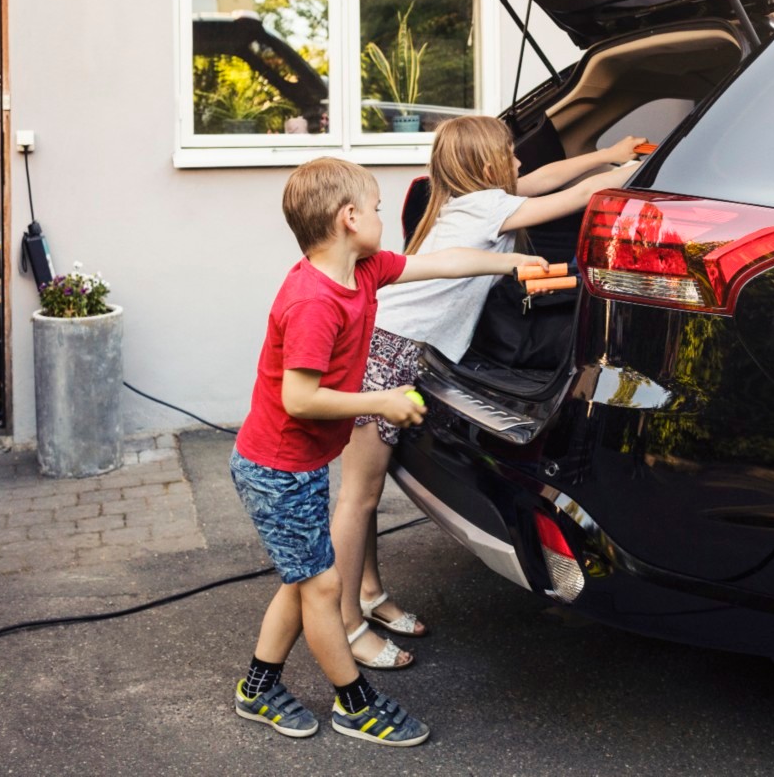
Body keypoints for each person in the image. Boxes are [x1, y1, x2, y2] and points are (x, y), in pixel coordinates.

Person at [229, 156, 545, 747]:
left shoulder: (365, 270)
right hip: (274, 469)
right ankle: (355, 704)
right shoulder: (315, 302)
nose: (382, 217)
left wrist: (511, 262)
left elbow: (443, 262)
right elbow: (299, 398)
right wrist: (381, 401)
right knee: (322, 588)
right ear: (349, 218)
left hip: (294, 466)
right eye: (375, 208)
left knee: (303, 582)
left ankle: (258, 687)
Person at [332, 116, 642, 669]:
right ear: (486, 166)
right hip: (385, 353)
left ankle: (370, 594)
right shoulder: (484, 208)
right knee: (358, 497)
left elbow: (546, 178)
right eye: (510, 156)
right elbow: (572, 196)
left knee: (368, 493)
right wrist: (635, 171)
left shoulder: (468, 199)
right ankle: (347, 626)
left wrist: (606, 152)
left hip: (392, 349)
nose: (520, 163)